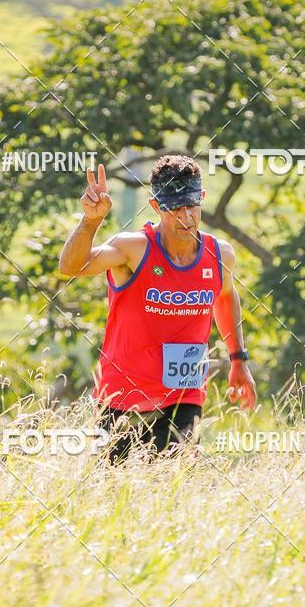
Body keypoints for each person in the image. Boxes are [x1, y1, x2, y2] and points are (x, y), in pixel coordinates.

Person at [59, 154, 256, 463]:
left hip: (184, 393)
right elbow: (71, 267)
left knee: (171, 482)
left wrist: (238, 359)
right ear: (155, 206)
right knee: (114, 492)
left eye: (191, 205)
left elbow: (225, 297)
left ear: (202, 198)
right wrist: (90, 221)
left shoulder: (221, 255)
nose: (185, 217)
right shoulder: (132, 249)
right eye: (174, 208)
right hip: (122, 398)